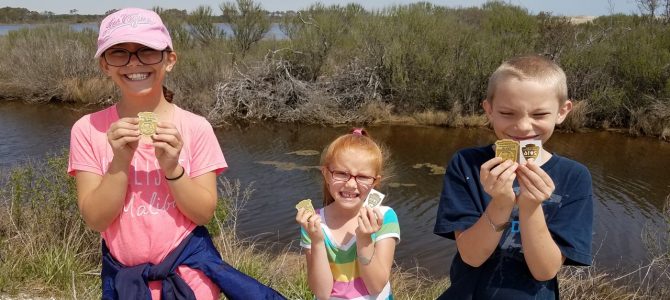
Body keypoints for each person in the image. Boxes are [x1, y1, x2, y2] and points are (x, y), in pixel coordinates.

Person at [68, 8, 284, 300]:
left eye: (148, 51)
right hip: (126, 282)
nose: (134, 63)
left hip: (190, 280)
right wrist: (119, 161)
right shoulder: (88, 129)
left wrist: (173, 168)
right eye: (119, 53)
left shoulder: (196, 128)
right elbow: (96, 220)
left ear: (169, 60)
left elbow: (203, 212)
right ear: (105, 65)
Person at [433, 55, 593, 299]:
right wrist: (501, 203)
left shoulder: (575, 177)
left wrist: (530, 206)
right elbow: (471, 257)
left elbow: (545, 271)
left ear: (562, 112)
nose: (523, 127)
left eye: (539, 115)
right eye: (508, 113)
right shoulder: (466, 164)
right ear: (489, 110)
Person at [296, 128, 400, 300]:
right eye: (341, 174)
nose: (351, 184)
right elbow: (321, 293)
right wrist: (317, 241)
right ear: (326, 174)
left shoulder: (385, 217)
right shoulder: (313, 222)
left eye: (363, 177)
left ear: (376, 182)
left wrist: (365, 240)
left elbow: (376, 286)